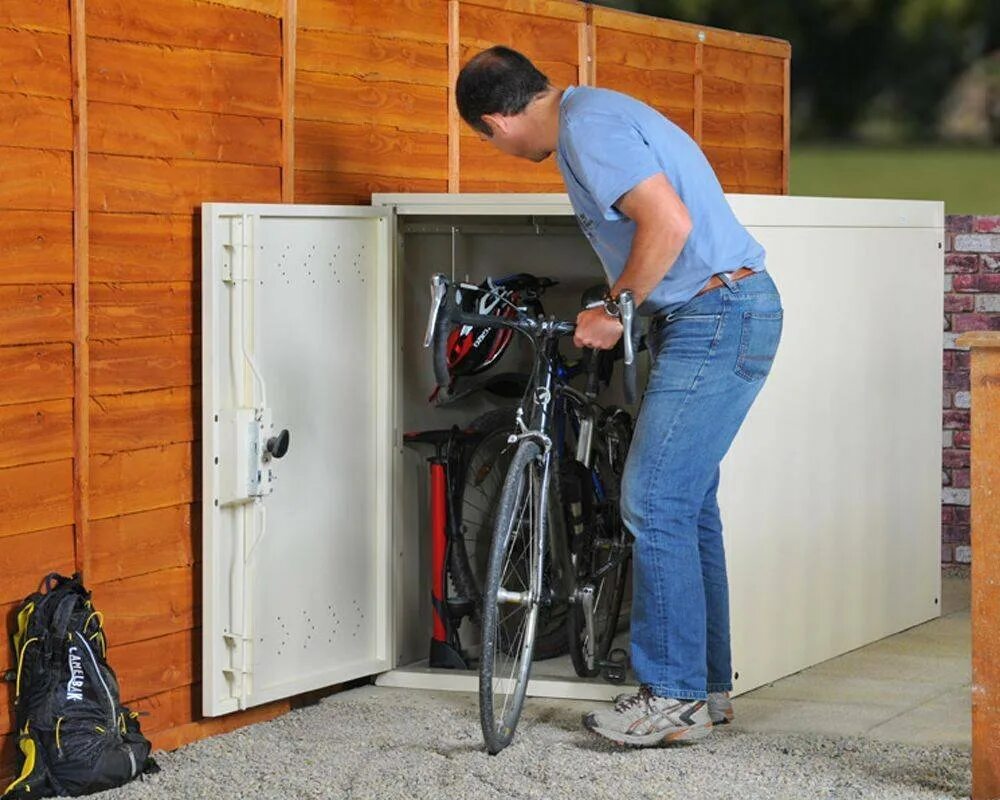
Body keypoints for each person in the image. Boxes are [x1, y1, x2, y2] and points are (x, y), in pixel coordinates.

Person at [456, 46, 784, 746]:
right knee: (686, 505)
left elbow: (669, 223)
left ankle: (672, 698)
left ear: (496, 123)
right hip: (719, 312)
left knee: (654, 500)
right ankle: (704, 688)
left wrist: (614, 308)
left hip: (715, 315)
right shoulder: (594, 112)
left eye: (488, 141)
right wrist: (623, 305)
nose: (500, 148)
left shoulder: (587, 129)